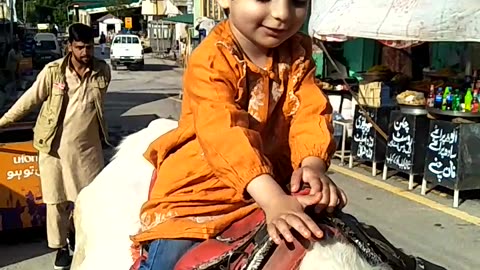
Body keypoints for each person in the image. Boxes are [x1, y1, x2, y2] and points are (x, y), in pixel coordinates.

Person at [131, 0, 348, 269]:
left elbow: (310, 111)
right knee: (170, 258)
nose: (282, 14)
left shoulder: (298, 53)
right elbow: (223, 133)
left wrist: (312, 166)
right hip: (203, 193)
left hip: (277, 182)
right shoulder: (211, 59)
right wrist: (273, 200)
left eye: (298, 1)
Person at [0, 23, 111, 270]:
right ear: (69, 46)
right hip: (53, 149)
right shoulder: (53, 73)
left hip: (87, 150)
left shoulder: (102, 72)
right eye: (80, 47)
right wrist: (3, 121)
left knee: (88, 201)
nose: (85, 53)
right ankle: (61, 248)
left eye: (89, 47)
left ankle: (83, 241)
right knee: (56, 202)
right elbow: (28, 100)